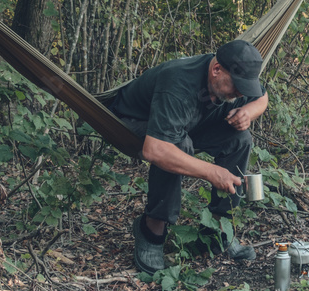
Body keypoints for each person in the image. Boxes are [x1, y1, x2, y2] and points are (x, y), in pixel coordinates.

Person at [107, 40, 269, 274]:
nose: (241, 92)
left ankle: (220, 231)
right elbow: (157, 149)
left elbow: (262, 98)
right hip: (133, 121)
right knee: (178, 145)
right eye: (237, 86)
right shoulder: (178, 82)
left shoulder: (235, 75)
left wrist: (247, 112)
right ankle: (151, 231)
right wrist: (212, 172)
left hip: (186, 122)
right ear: (216, 70)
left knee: (239, 138)